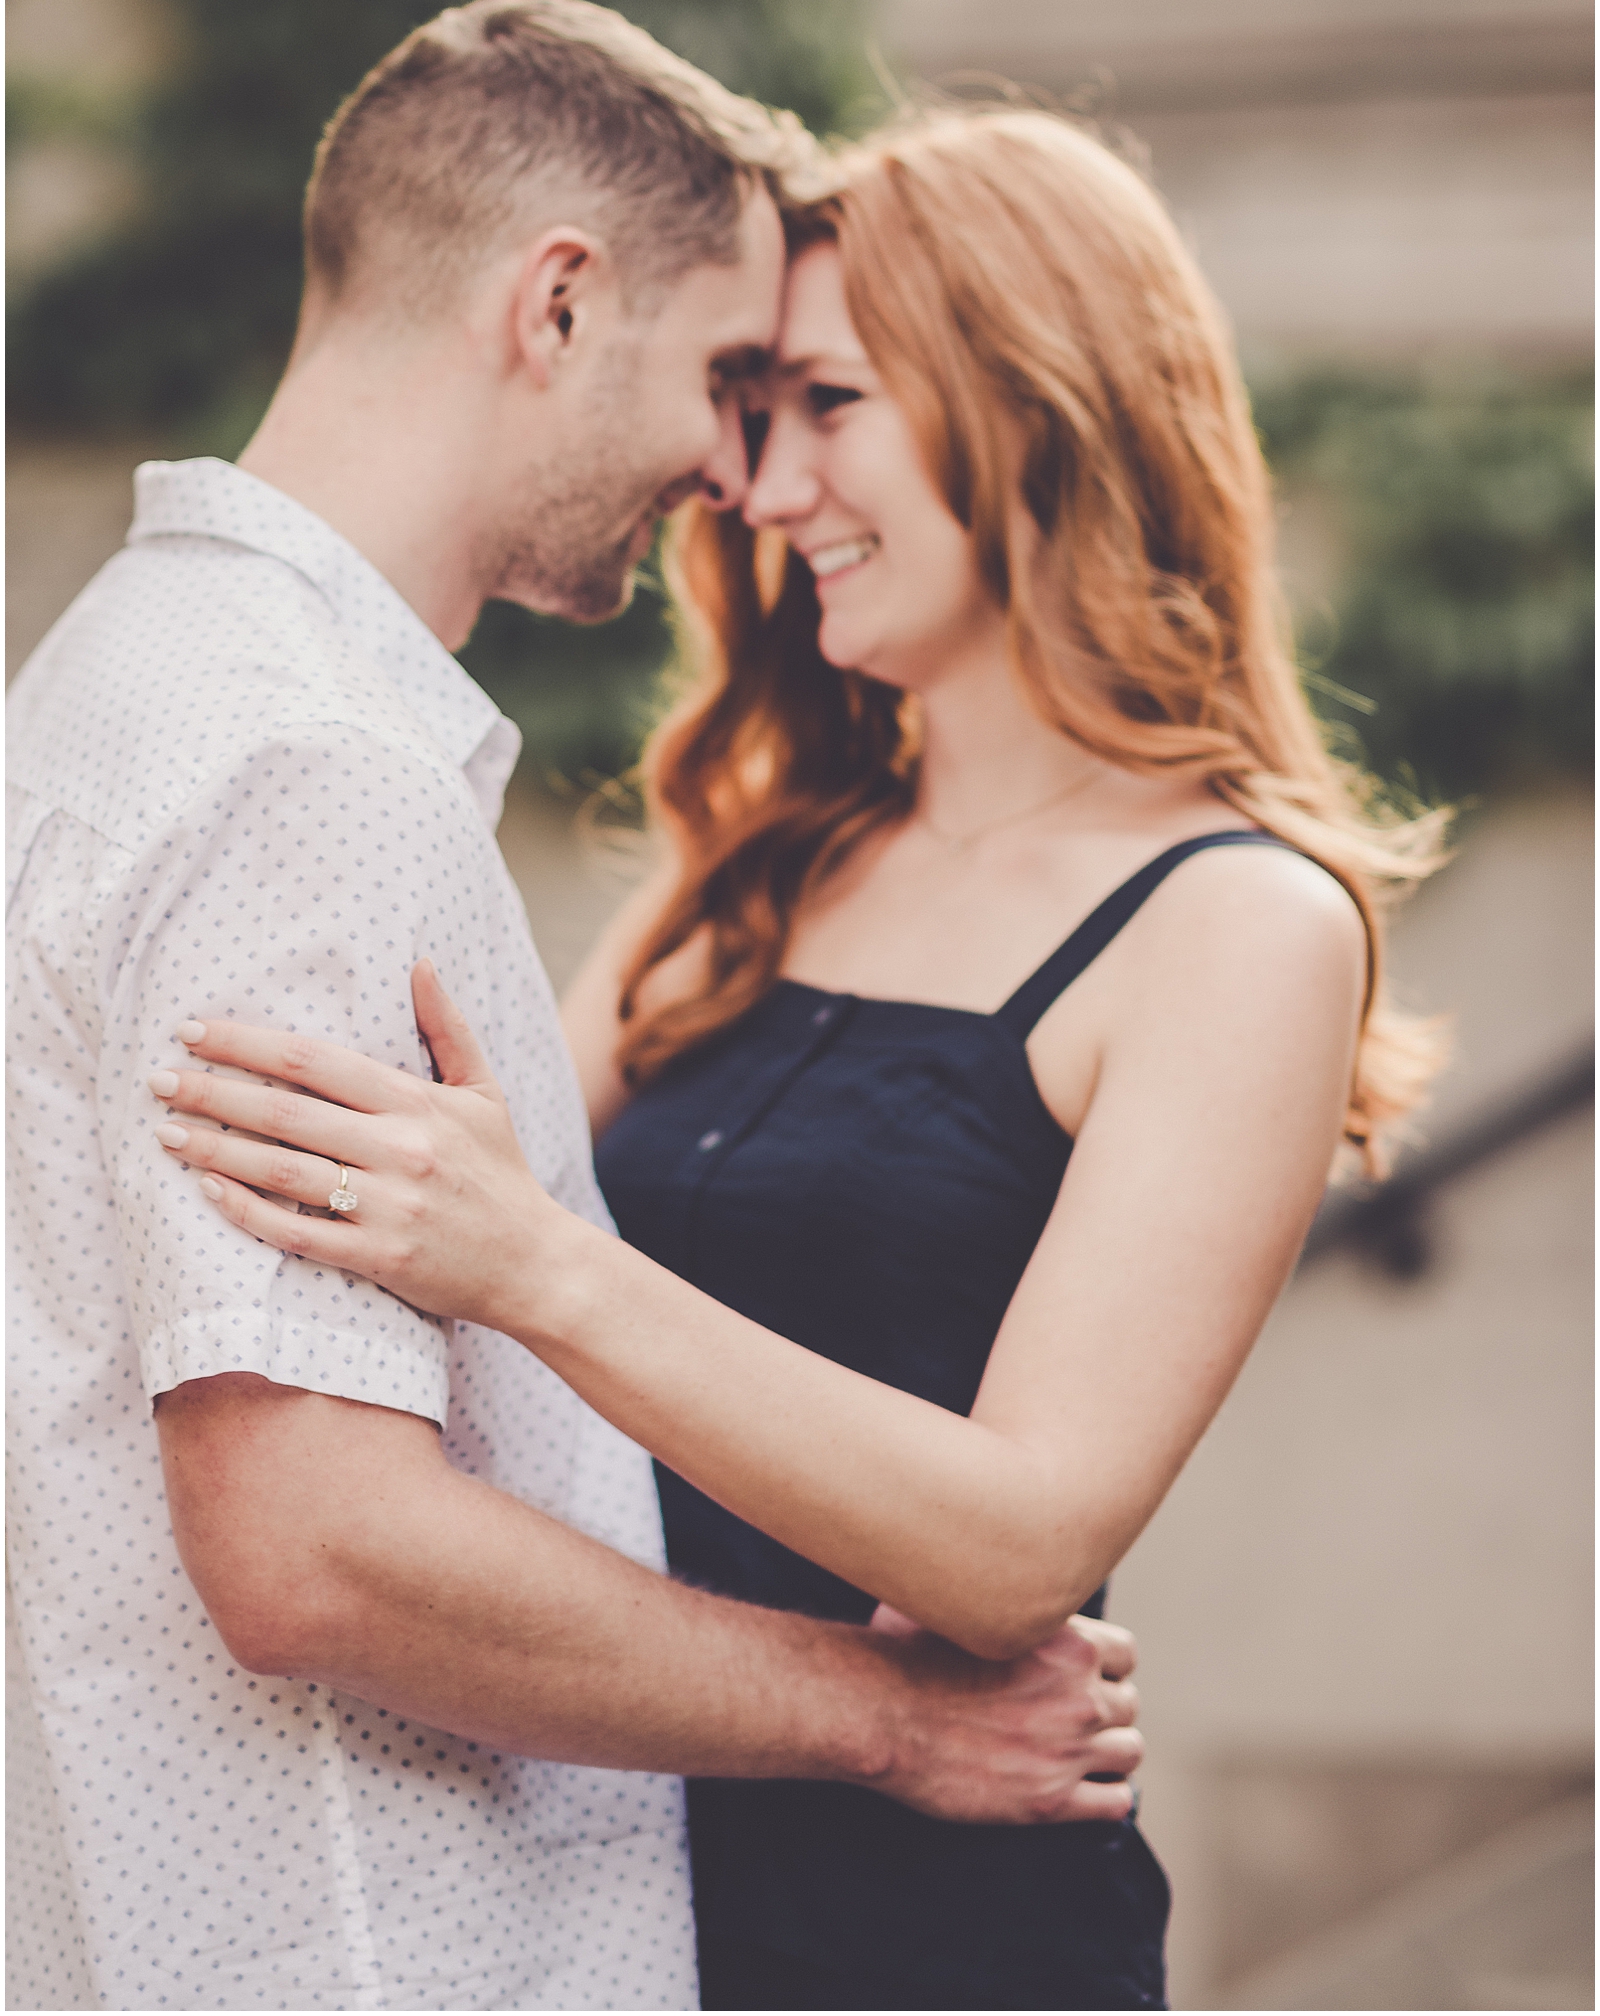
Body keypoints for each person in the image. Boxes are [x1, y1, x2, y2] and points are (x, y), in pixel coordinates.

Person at [148, 107, 1450, 2010]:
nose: (756, 485)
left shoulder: (1241, 924)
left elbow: (1015, 1544)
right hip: (607, 1892)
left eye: (825, 403)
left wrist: (538, 1264)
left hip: (934, 1933)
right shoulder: (752, 857)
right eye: (747, 411)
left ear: (1037, 404)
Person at [6, 8, 1150, 2016]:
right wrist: (889, 1716)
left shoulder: (104, 695)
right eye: (723, 377)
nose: (730, 470)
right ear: (553, 303)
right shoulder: (312, 768)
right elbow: (314, 1549)